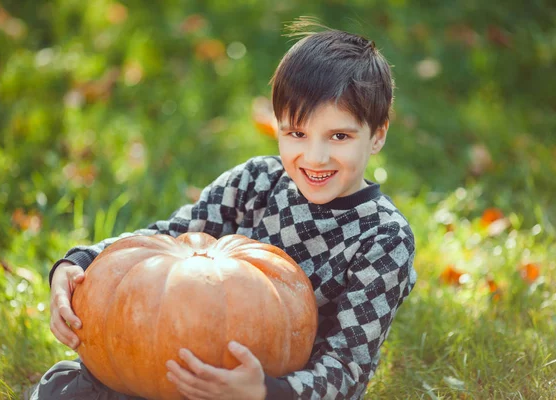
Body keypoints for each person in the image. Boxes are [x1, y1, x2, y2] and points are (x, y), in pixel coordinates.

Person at [30, 18, 416, 400]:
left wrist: (264, 391)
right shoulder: (257, 182)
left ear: (377, 135)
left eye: (339, 136)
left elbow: (347, 368)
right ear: (277, 126)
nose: (315, 157)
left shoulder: (383, 237)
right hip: (193, 366)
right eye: (297, 133)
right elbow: (165, 240)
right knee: (79, 388)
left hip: (282, 390)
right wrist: (80, 262)